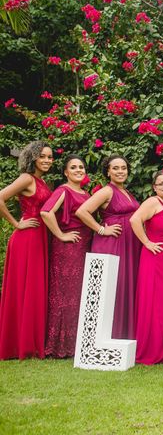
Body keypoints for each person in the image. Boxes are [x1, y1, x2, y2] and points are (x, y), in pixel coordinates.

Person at [76, 155, 140, 339]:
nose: (120, 171)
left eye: (124, 168)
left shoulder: (126, 191)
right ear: (108, 172)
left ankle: (124, 334)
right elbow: (82, 211)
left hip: (129, 244)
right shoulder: (107, 191)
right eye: (116, 168)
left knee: (126, 283)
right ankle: (108, 334)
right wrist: (101, 229)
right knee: (115, 285)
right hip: (113, 243)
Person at [0, 141, 53, 360]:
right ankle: (17, 344)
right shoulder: (26, 178)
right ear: (32, 157)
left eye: (50, 157)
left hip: (40, 237)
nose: (47, 160)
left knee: (34, 288)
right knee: (25, 287)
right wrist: (16, 223)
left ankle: (29, 340)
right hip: (27, 237)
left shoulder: (41, 181)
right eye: (43, 156)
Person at [130, 170, 163, 364]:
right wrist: (147, 242)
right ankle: (157, 348)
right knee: (156, 301)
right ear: (154, 187)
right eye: (160, 183)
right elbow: (134, 220)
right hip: (156, 259)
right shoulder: (153, 202)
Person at [40, 154, 91, 358]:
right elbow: (46, 212)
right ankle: (61, 345)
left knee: (78, 294)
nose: (79, 170)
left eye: (81, 167)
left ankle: (77, 342)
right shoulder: (64, 190)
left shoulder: (85, 194)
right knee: (65, 296)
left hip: (84, 247)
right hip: (68, 249)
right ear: (66, 172)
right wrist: (60, 234)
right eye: (74, 167)